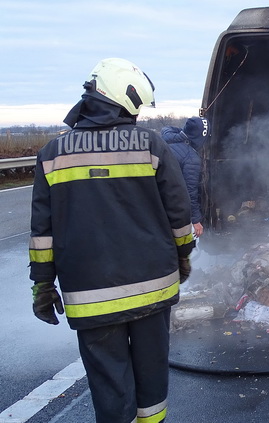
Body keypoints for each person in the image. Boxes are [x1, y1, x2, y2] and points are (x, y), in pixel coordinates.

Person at [28, 57, 194, 423]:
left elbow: (43, 232)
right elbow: (179, 215)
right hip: (155, 288)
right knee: (152, 381)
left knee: (110, 385)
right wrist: (184, 258)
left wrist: (42, 286)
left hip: (90, 297)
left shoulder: (52, 154)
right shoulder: (150, 145)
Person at [161, 116, 210, 237]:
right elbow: (190, 191)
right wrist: (196, 220)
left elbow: (167, 128)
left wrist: (184, 134)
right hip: (170, 203)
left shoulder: (168, 137)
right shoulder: (191, 158)